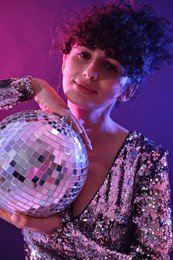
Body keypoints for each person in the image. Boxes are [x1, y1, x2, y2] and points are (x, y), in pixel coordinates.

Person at [0, 1, 173, 259]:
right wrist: (33, 87)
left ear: (128, 90)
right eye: (84, 55)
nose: (91, 72)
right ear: (64, 61)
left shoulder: (144, 160)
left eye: (110, 66)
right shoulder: (27, 133)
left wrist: (59, 233)